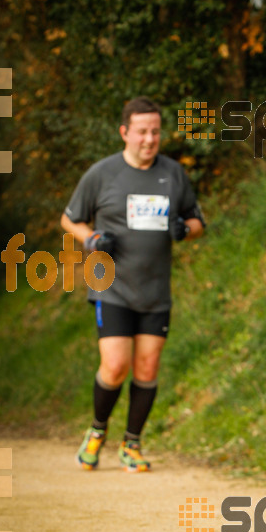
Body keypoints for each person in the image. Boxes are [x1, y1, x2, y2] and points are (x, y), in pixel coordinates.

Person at [61, 96, 204, 473]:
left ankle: (132, 444)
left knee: (147, 366)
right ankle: (96, 431)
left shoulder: (173, 174)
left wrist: (183, 230)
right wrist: (91, 240)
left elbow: (197, 221)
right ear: (125, 132)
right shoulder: (102, 174)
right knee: (114, 366)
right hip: (112, 286)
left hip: (155, 291)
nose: (149, 139)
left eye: (155, 131)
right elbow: (69, 219)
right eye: (141, 131)